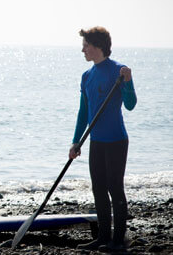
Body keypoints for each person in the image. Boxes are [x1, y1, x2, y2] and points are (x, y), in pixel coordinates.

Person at [69, 26, 137, 252]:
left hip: (116, 140)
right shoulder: (87, 75)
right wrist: (76, 141)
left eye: (85, 45)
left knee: (114, 188)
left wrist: (128, 81)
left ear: (97, 46)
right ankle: (102, 238)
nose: (83, 50)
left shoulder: (118, 70)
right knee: (98, 188)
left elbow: (130, 104)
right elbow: (83, 111)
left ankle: (118, 241)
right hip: (96, 141)